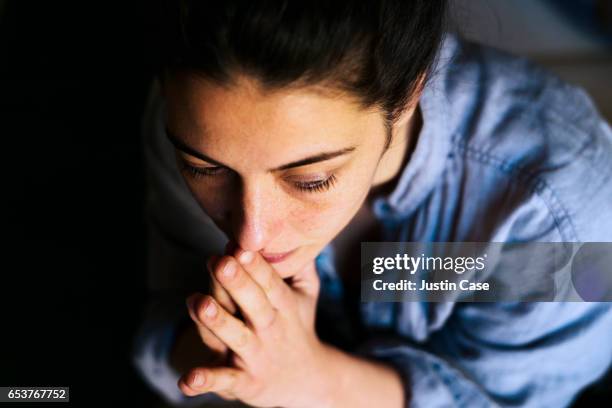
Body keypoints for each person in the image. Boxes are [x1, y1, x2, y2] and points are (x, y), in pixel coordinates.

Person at [131, 1, 612, 407]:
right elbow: (163, 320)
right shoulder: (189, 120)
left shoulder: (556, 213)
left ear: (406, 97)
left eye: (312, 180)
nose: (251, 234)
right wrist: (224, 349)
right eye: (205, 169)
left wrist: (315, 378)